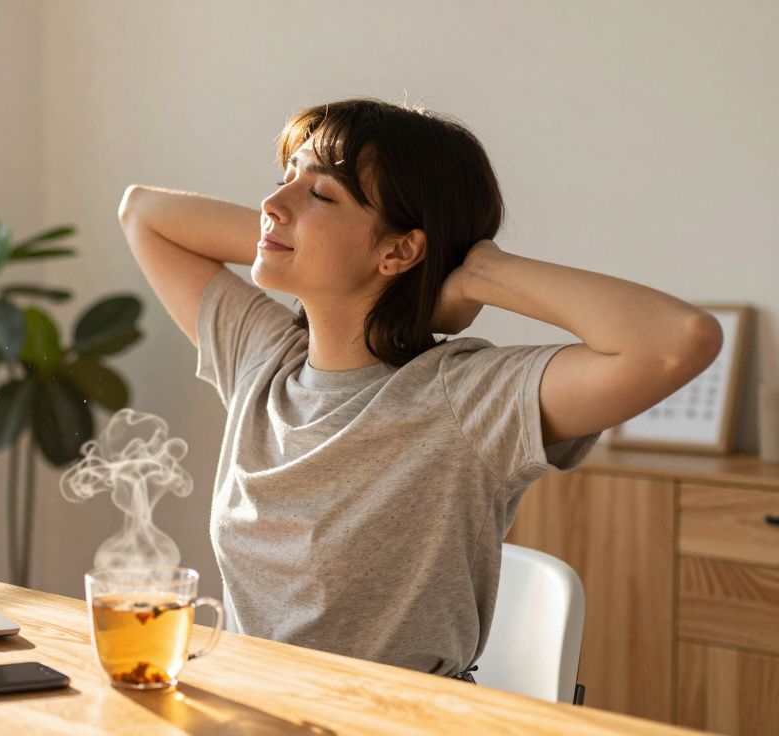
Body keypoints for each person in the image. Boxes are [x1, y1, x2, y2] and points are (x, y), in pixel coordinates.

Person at [116, 98, 722, 681]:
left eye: (319, 192)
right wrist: (302, 226)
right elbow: (142, 212)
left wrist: (481, 273)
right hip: (260, 710)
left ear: (400, 248)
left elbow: (678, 338)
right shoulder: (263, 361)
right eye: (285, 178)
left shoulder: (467, 397)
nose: (272, 203)